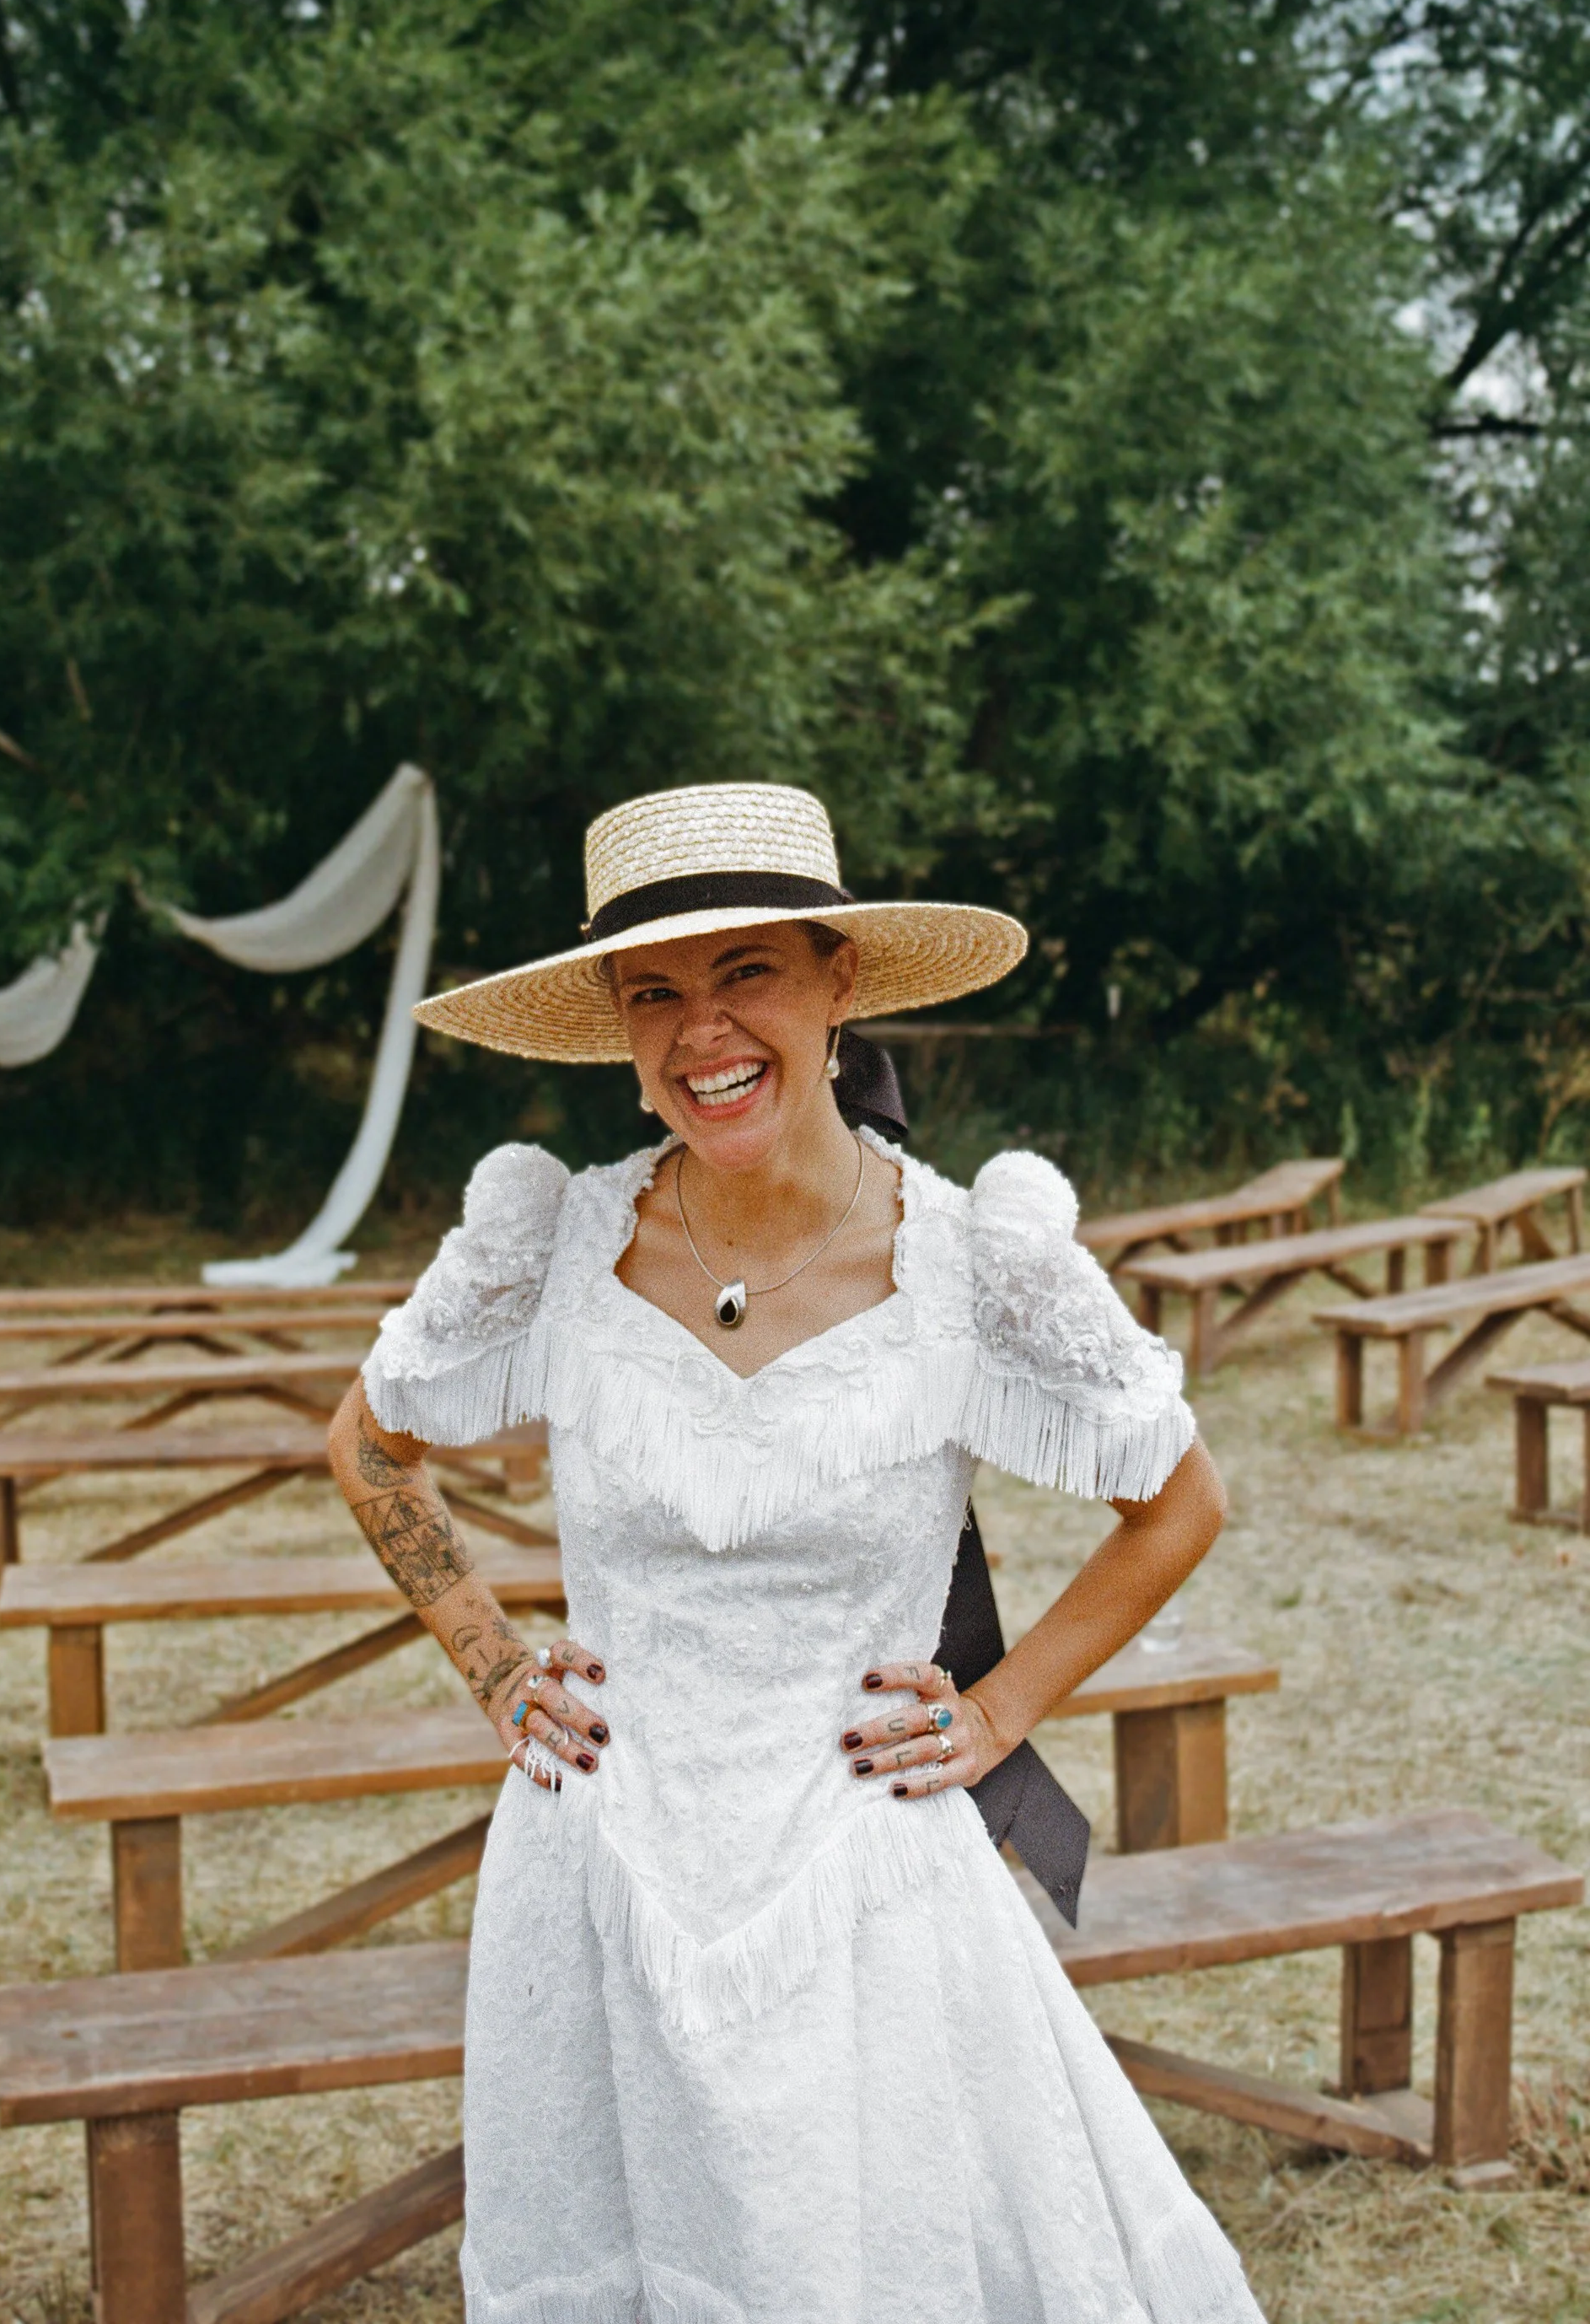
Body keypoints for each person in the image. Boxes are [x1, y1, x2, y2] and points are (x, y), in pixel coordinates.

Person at [330, 780, 1265, 2324]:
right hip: (600, 1873)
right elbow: (366, 1441)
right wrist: (495, 1662)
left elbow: (1179, 1499)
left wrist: (998, 1708)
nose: (703, 1032)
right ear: (621, 1033)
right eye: (656, 992)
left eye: (746, 972)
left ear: (841, 985)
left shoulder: (973, 1259)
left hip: (866, 1878)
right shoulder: (552, 1243)